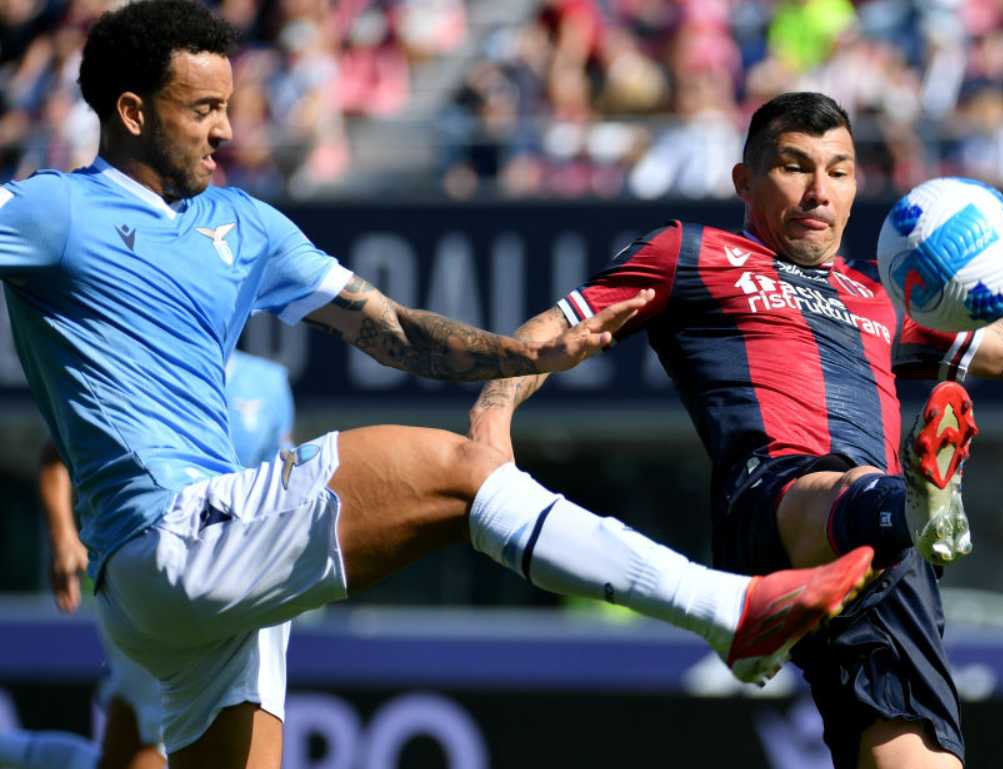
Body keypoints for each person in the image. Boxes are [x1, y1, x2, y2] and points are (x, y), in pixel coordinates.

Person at [0, 5, 878, 768]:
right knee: (460, 473)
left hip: (194, 598)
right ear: (130, 112)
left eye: (229, 105)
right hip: (169, 536)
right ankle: (727, 608)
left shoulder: (245, 224)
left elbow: (390, 327)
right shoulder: (54, 212)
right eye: (203, 111)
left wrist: (520, 355)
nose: (227, 129)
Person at [468, 91, 1003, 769]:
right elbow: (557, 329)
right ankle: (914, 495)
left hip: (888, 560)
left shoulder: (879, 299)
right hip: (775, 507)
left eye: (838, 172)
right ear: (745, 181)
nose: (819, 191)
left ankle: (911, 503)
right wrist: (492, 421)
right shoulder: (693, 254)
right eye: (794, 166)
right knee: (844, 488)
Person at [0, 350, 295, 769]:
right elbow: (57, 453)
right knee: (158, 744)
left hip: (236, 583)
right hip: (153, 567)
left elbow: (281, 483)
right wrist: (64, 537)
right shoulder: (146, 358)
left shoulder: (269, 381)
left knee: (128, 747)